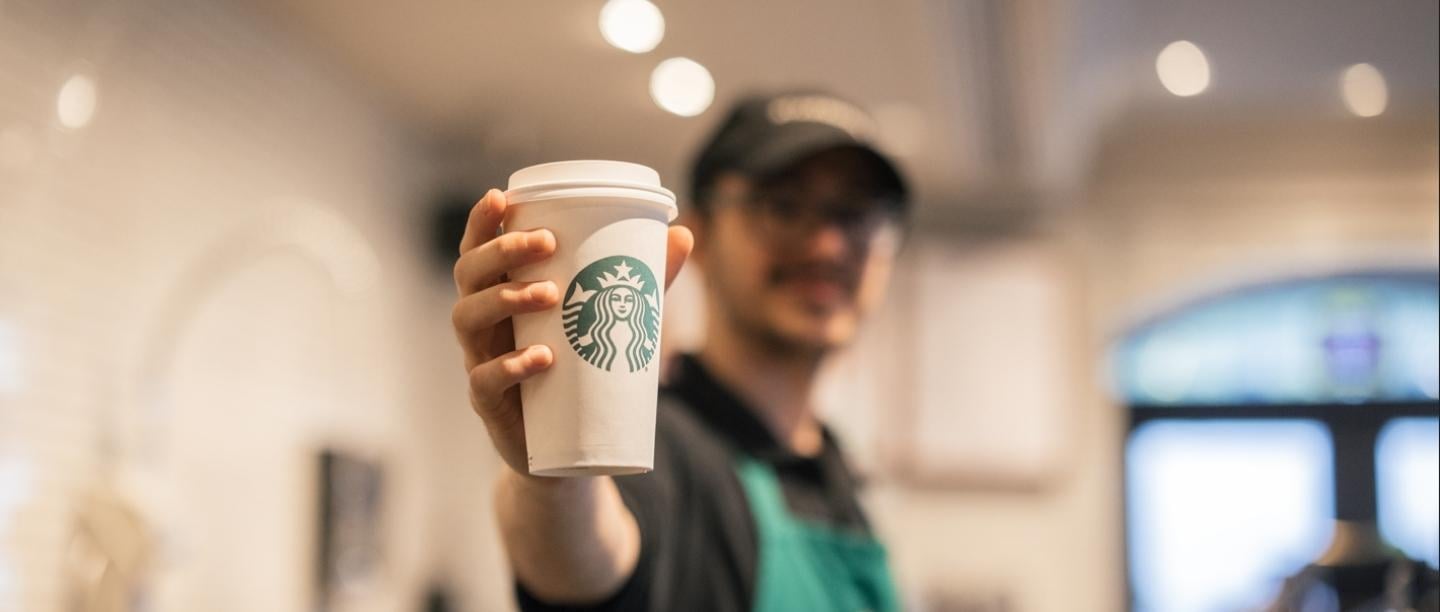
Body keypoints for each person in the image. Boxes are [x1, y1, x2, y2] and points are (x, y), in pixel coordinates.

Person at [451, 91, 910, 611]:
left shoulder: (837, 470)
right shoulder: (660, 442)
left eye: (856, 214)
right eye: (784, 207)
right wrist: (555, 478)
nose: (827, 245)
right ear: (702, 234)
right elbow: (587, 565)